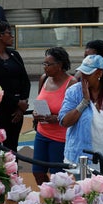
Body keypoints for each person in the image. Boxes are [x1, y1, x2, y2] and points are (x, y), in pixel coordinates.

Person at [0, 20, 31, 153]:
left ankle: (13, 173)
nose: (12, 36)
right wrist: (17, 102)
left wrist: (21, 106)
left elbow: (25, 81)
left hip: (16, 113)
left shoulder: (14, 55)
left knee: (12, 150)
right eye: (9, 33)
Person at [32, 47, 76, 184]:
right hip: (42, 133)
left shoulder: (72, 83)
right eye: (44, 64)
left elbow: (75, 113)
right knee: (37, 171)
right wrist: (36, 114)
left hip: (60, 137)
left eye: (48, 64)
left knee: (57, 176)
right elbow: (39, 101)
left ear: (60, 65)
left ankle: (59, 203)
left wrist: (56, 118)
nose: (45, 67)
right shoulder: (44, 78)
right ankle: (47, 198)